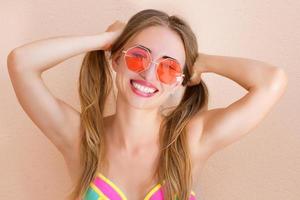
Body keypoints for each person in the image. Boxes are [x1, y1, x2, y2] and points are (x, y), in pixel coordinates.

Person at [7, 9, 288, 200]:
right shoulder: (81, 138)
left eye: (167, 67)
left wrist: (200, 63)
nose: (149, 73)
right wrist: (107, 41)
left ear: (180, 79)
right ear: (116, 60)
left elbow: (271, 82)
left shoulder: (190, 140)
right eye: (138, 56)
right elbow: (21, 63)